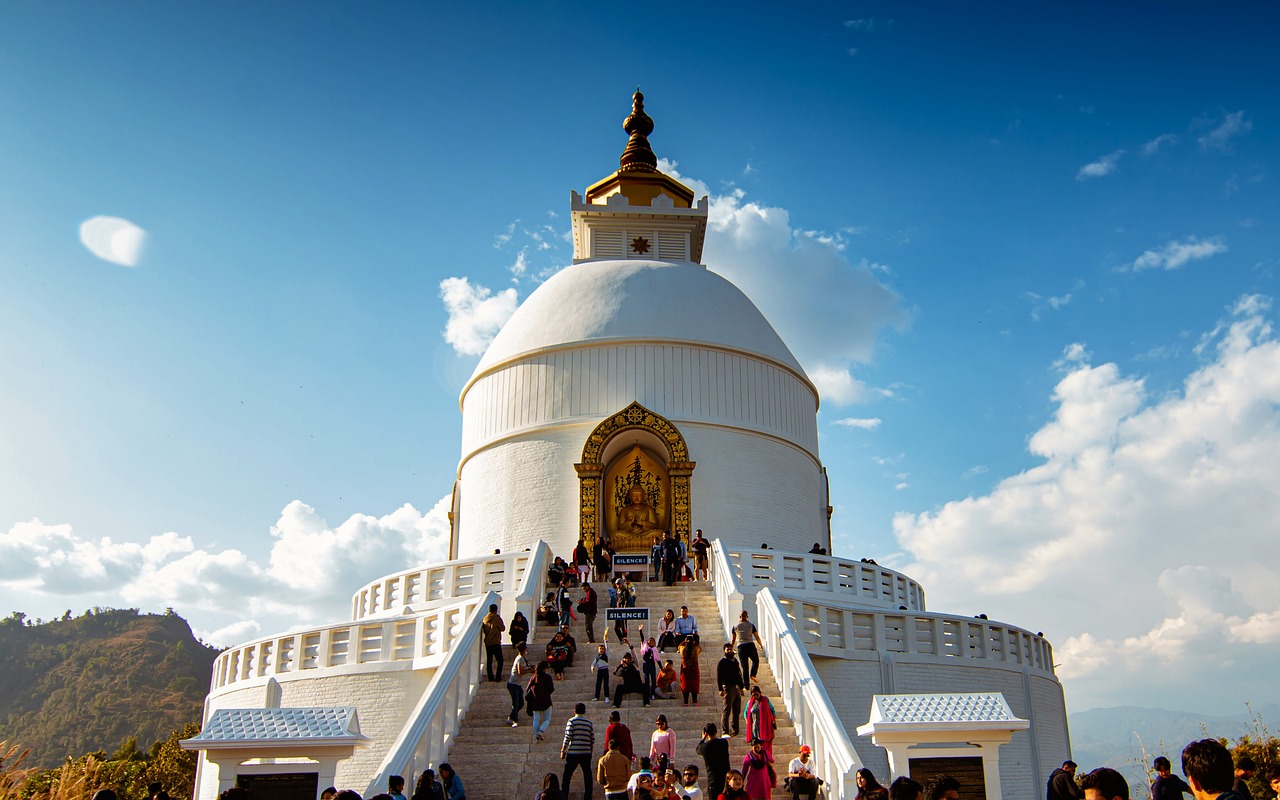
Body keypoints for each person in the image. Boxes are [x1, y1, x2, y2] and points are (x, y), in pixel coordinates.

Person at [561, 702, 596, 800]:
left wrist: (563, 750)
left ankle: (564, 796)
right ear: (584, 711)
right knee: (587, 776)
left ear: (574, 710)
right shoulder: (589, 723)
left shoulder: (571, 721)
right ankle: (588, 796)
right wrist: (590, 752)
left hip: (573, 753)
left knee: (567, 776)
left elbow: (568, 737)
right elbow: (592, 739)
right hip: (586, 753)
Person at [697, 723, 731, 800]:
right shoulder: (724, 743)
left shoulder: (704, 747)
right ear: (716, 731)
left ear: (706, 734)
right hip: (725, 779)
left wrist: (703, 739)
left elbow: (698, 750)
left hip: (713, 780)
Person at [717, 642, 744, 737]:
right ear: (724, 651)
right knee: (727, 711)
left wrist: (741, 687)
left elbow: (739, 674)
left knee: (736, 711)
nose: (729, 651)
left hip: (736, 688)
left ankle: (735, 729)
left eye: (730, 649)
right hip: (728, 688)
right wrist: (720, 689)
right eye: (727, 650)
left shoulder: (735, 661)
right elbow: (719, 676)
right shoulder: (722, 662)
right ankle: (725, 731)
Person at [730, 611, 764, 686]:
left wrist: (731, 648)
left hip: (741, 647)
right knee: (755, 661)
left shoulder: (735, 626)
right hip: (750, 645)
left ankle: (746, 685)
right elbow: (757, 636)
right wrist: (760, 644)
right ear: (747, 616)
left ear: (740, 616)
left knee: (745, 667)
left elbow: (733, 639)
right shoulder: (751, 625)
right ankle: (753, 674)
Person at [743, 685, 776, 759]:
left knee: (765, 746)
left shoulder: (766, 700)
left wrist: (773, 720)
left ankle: (767, 761)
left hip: (765, 727)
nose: (755, 696)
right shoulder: (750, 703)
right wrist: (747, 721)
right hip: (755, 727)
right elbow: (745, 713)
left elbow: (773, 710)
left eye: (757, 694)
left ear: (760, 693)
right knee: (756, 746)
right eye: (753, 695)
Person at [507, 641, 534, 726]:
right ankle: (515, 720)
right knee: (515, 703)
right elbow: (520, 671)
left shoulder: (521, 658)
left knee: (521, 703)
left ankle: (511, 717)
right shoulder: (520, 659)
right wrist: (530, 671)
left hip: (517, 685)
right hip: (513, 684)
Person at [528, 659, 555, 741]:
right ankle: (541, 731)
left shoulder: (533, 678)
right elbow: (551, 689)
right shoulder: (547, 677)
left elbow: (527, 688)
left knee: (536, 719)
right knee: (547, 719)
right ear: (544, 668)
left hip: (535, 702)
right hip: (546, 701)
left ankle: (536, 735)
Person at [481, 604, 506, 682]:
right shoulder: (496, 618)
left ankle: (490, 677)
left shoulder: (485, 619)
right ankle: (498, 677)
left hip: (488, 642)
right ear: (496, 610)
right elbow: (503, 628)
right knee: (500, 660)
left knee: (489, 661)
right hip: (495, 642)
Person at [678, 635, 701, 705]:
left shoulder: (682, 649)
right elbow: (700, 649)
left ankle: (686, 702)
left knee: (685, 686)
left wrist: (684, 642)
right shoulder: (696, 649)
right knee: (694, 685)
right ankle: (694, 702)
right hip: (694, 669)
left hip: (685, 670)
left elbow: (679, 646)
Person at [640, 629, 660, 694]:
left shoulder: (655, 649)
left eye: (653, 641)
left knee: (653, 679)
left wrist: (661, 667)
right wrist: (640, 631)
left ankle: (653, 693)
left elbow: (657, 658)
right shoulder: (645, 647)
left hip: (652, 665)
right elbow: (642, 639)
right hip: (646, 664)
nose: (651, 642)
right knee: (647, 679)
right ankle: (647, 693)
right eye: (650, 641)